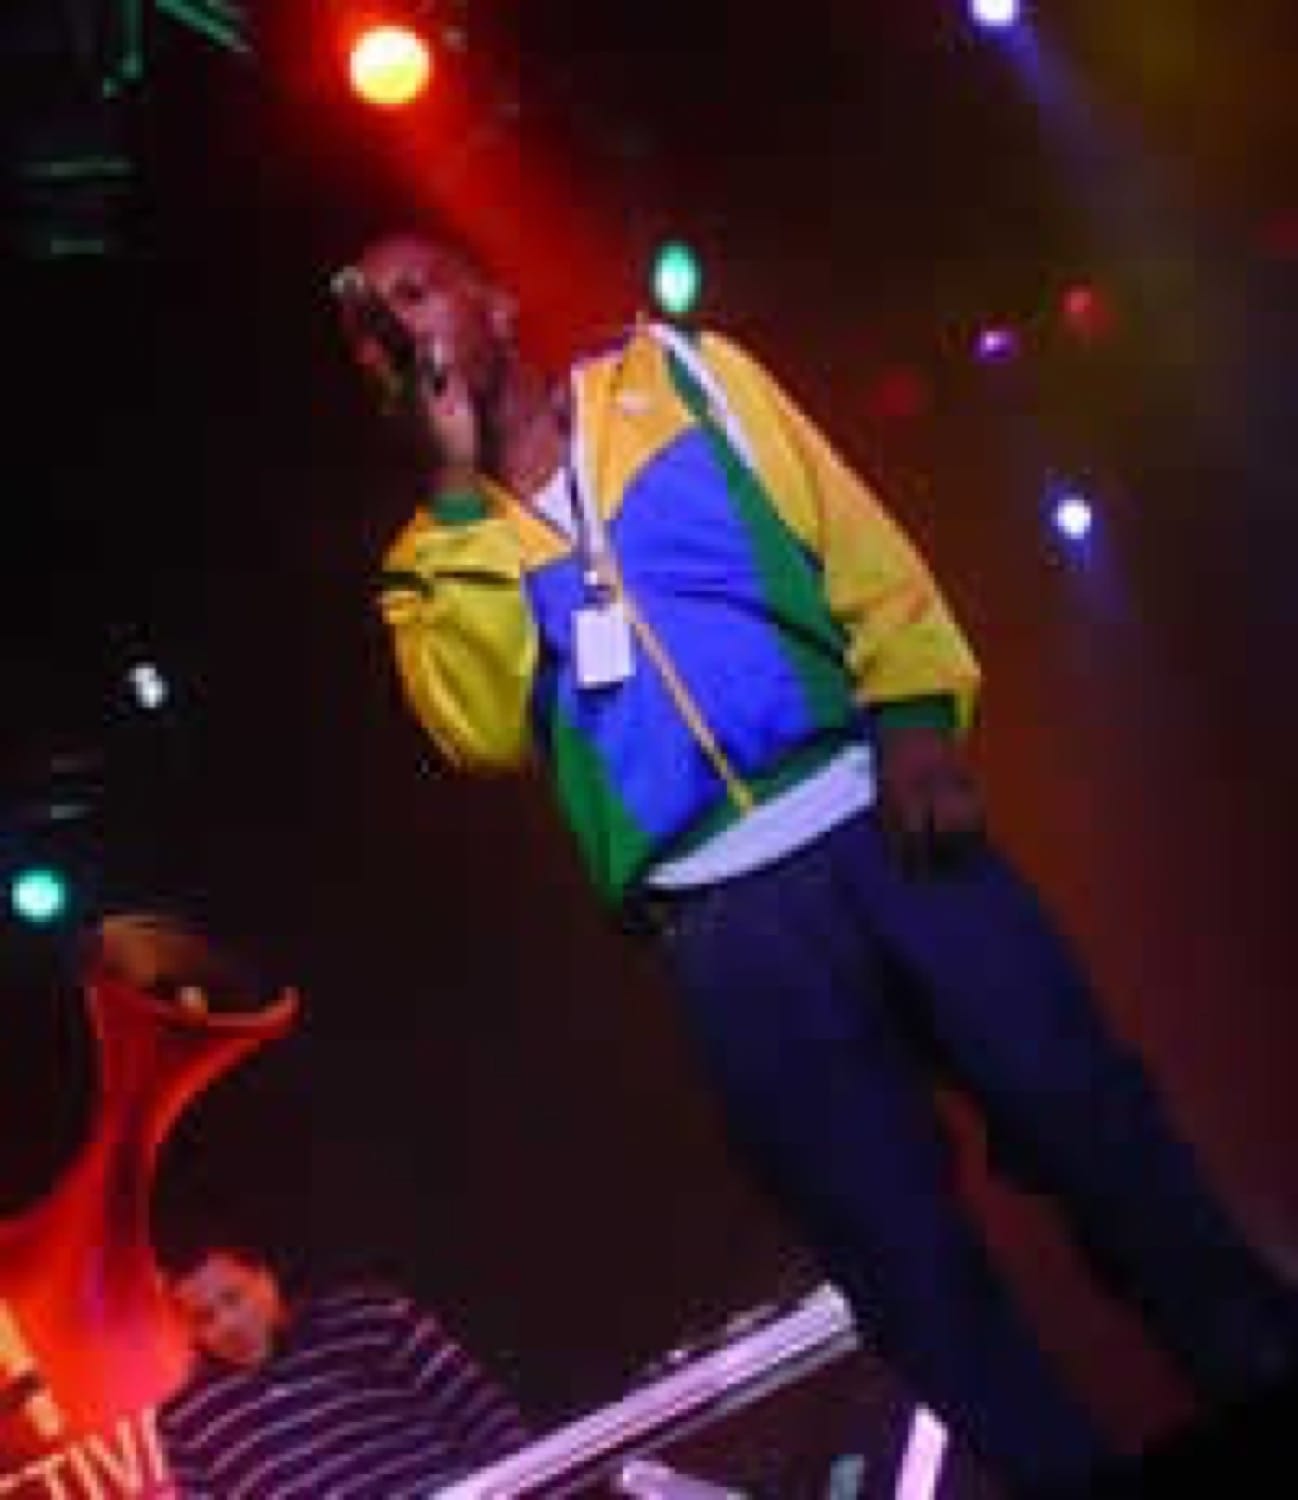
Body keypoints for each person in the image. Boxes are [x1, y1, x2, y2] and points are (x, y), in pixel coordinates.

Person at [336, 230, 1298, 1497]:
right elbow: (476, 729)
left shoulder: (679, 379)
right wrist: (461, 492)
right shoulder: (426, 562)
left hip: (873, 818)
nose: (398, 330)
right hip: (721, 931)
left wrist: (913, 716)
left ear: (496, 304)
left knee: (1093, 1128)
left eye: (414, 294)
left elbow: (851, 539)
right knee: (901, 1263)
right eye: (369, 331)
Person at [157, 1244, 530, 1497]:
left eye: (233, 1298)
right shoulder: (186, 1422)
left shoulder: (374, 1320)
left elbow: (486, 1417)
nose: (228, 1324)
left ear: (265, 1279)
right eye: (204, 1318)